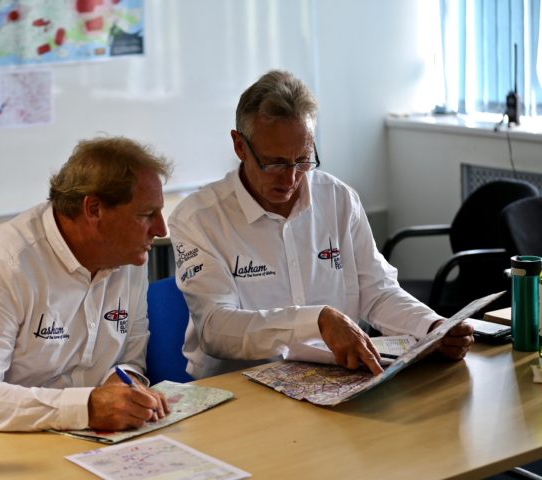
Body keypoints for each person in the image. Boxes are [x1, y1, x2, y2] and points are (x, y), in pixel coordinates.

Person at [168, 70, 474, 380]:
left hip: (335, 378)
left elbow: (377, 292)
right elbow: (216, 328)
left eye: (302, 160)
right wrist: (316, 322)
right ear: (239, 146)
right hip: (241, 388)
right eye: (274, 163)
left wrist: (432, 327)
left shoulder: (338, 199)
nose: (290, 178)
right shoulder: (198, 218)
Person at [0, 136, 172, 437]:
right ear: (93, 209)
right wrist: (87, 407)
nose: (161, 229)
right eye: (146, 215)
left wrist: (124, 381)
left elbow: (130, 358)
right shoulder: (1, 264)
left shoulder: (128, 255)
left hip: (81, 437)